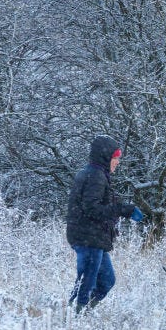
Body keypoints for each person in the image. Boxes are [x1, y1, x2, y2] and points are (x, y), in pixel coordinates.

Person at [66, 134, 144, 313]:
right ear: (105, 157)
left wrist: (123, 209)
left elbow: (96, 205)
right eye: (115, 158)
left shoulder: (96, 174)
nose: (117, 162)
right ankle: (74, 319)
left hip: (94, 238)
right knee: (87, 282)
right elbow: (92, 208)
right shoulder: (95, 176)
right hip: (88, 238)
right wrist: (124, 210)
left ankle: (83, 314)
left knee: (107, 281)